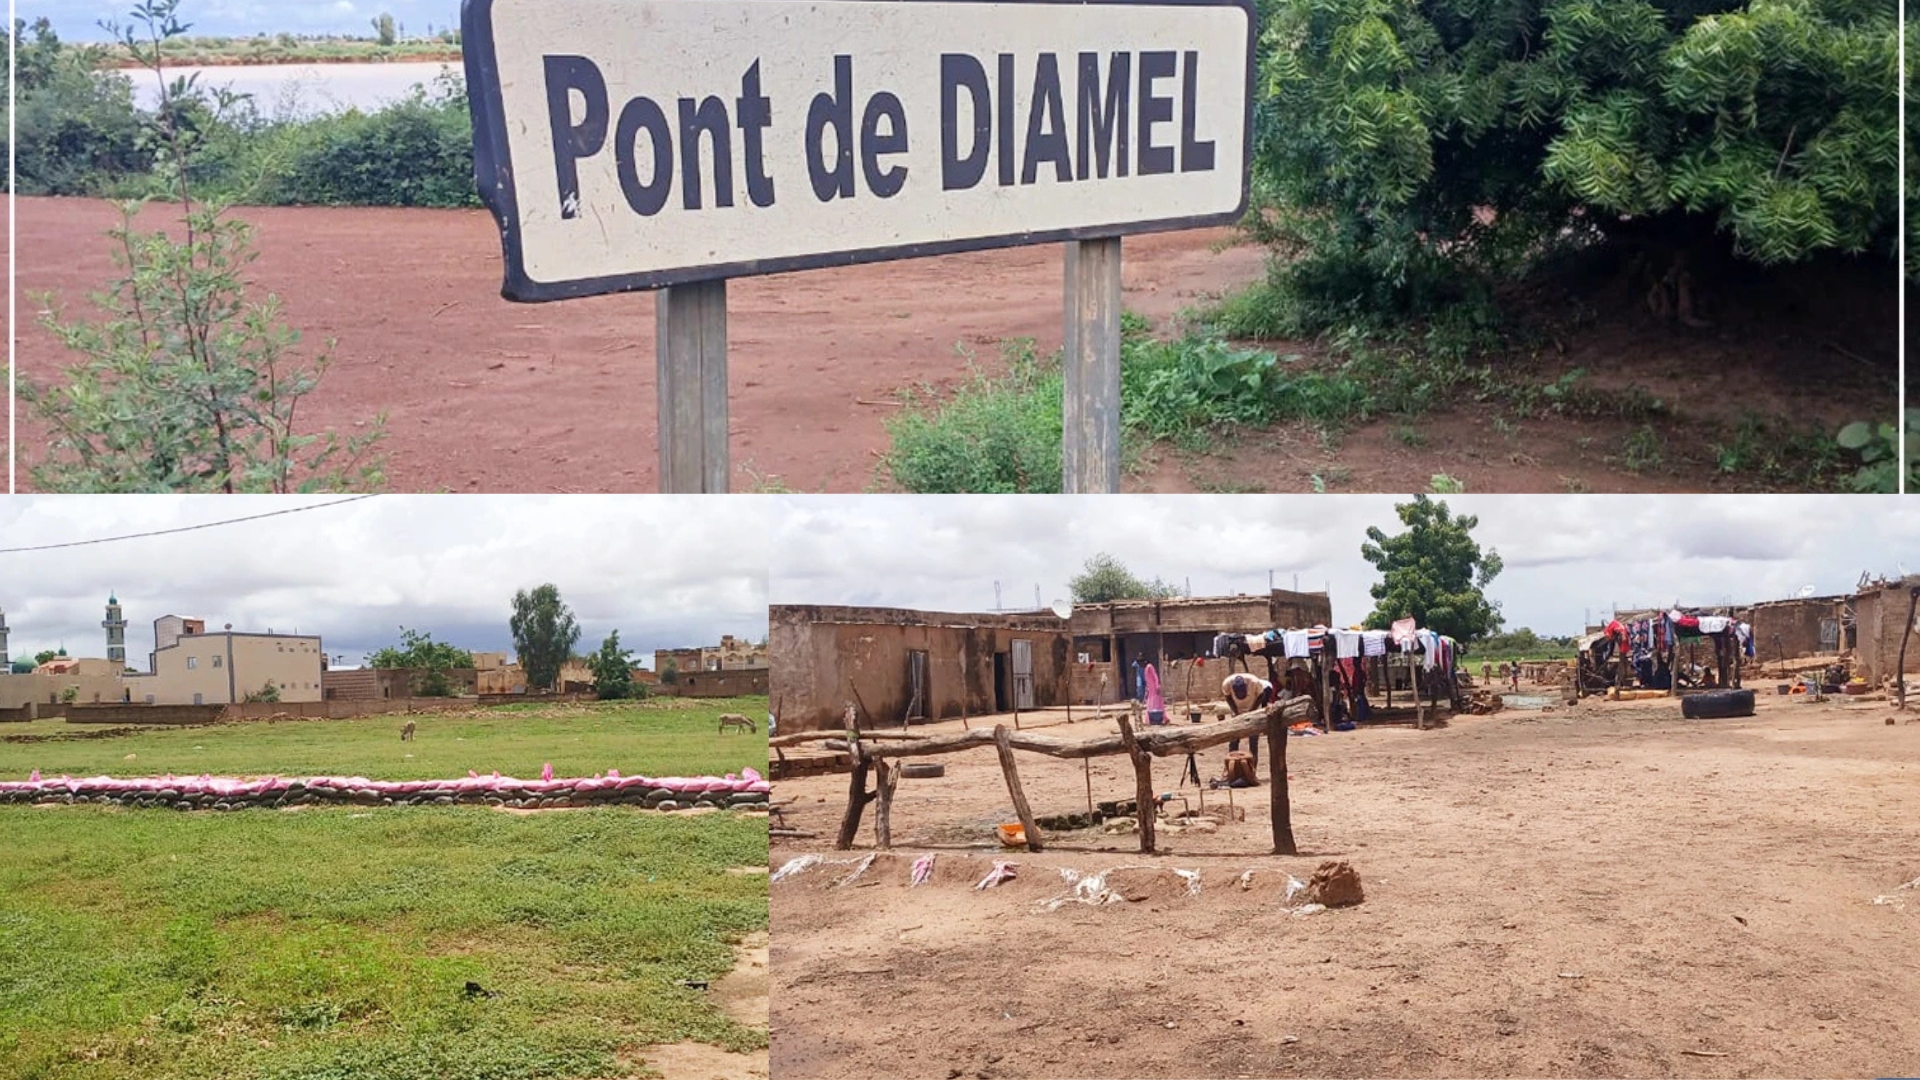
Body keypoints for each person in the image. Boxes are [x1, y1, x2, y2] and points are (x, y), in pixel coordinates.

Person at [1221, 672, 1276, 772]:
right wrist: (1236, 711)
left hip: (1253, 712)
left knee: (1253, 741)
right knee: (1233, 740)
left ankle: (1252, 769)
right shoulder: (1226, 684)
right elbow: (1228, 697)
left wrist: (1252, 710)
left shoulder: (1255, 682)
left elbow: (1261, 695)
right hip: (1237, 713)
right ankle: (1230, 768)